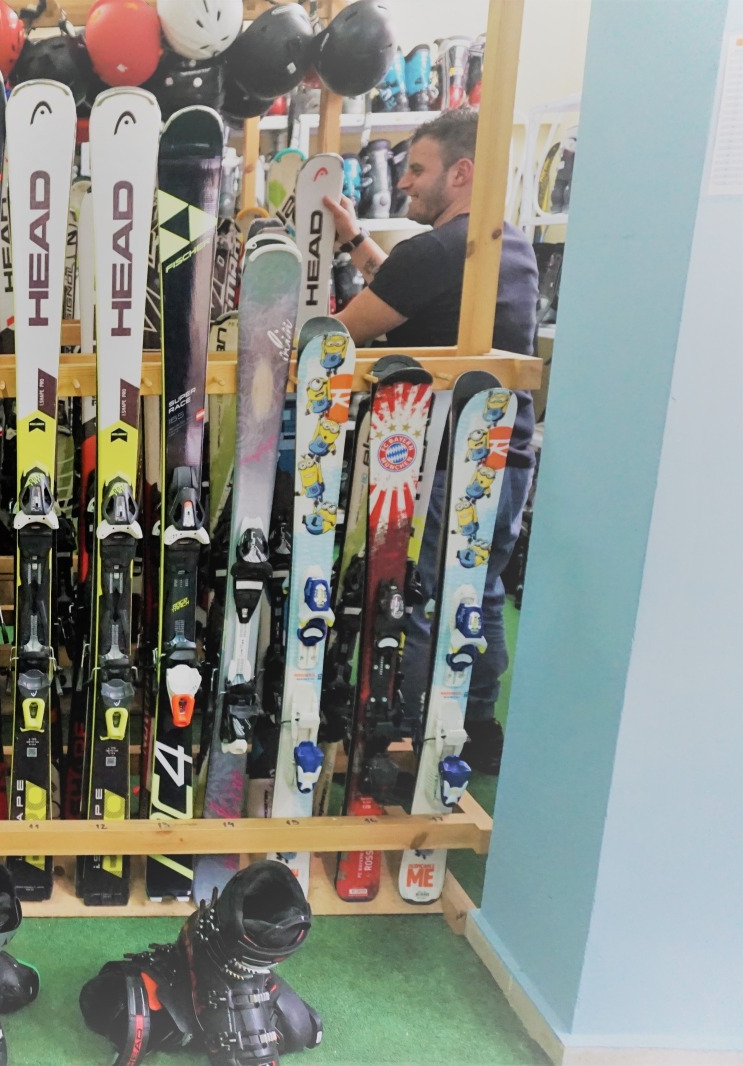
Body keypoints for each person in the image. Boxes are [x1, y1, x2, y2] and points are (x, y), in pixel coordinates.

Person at [323, 108, 539, 775]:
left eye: (418, 169)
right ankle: (477, 729)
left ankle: (405, 739)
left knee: (417, 597)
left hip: (446, 458)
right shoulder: (508, 246)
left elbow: (339, 337)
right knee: (481, 590)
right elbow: (413, 288)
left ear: (461, 172)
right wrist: (356, 241)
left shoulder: (436, 253)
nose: (404, 182)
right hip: (508, 453)